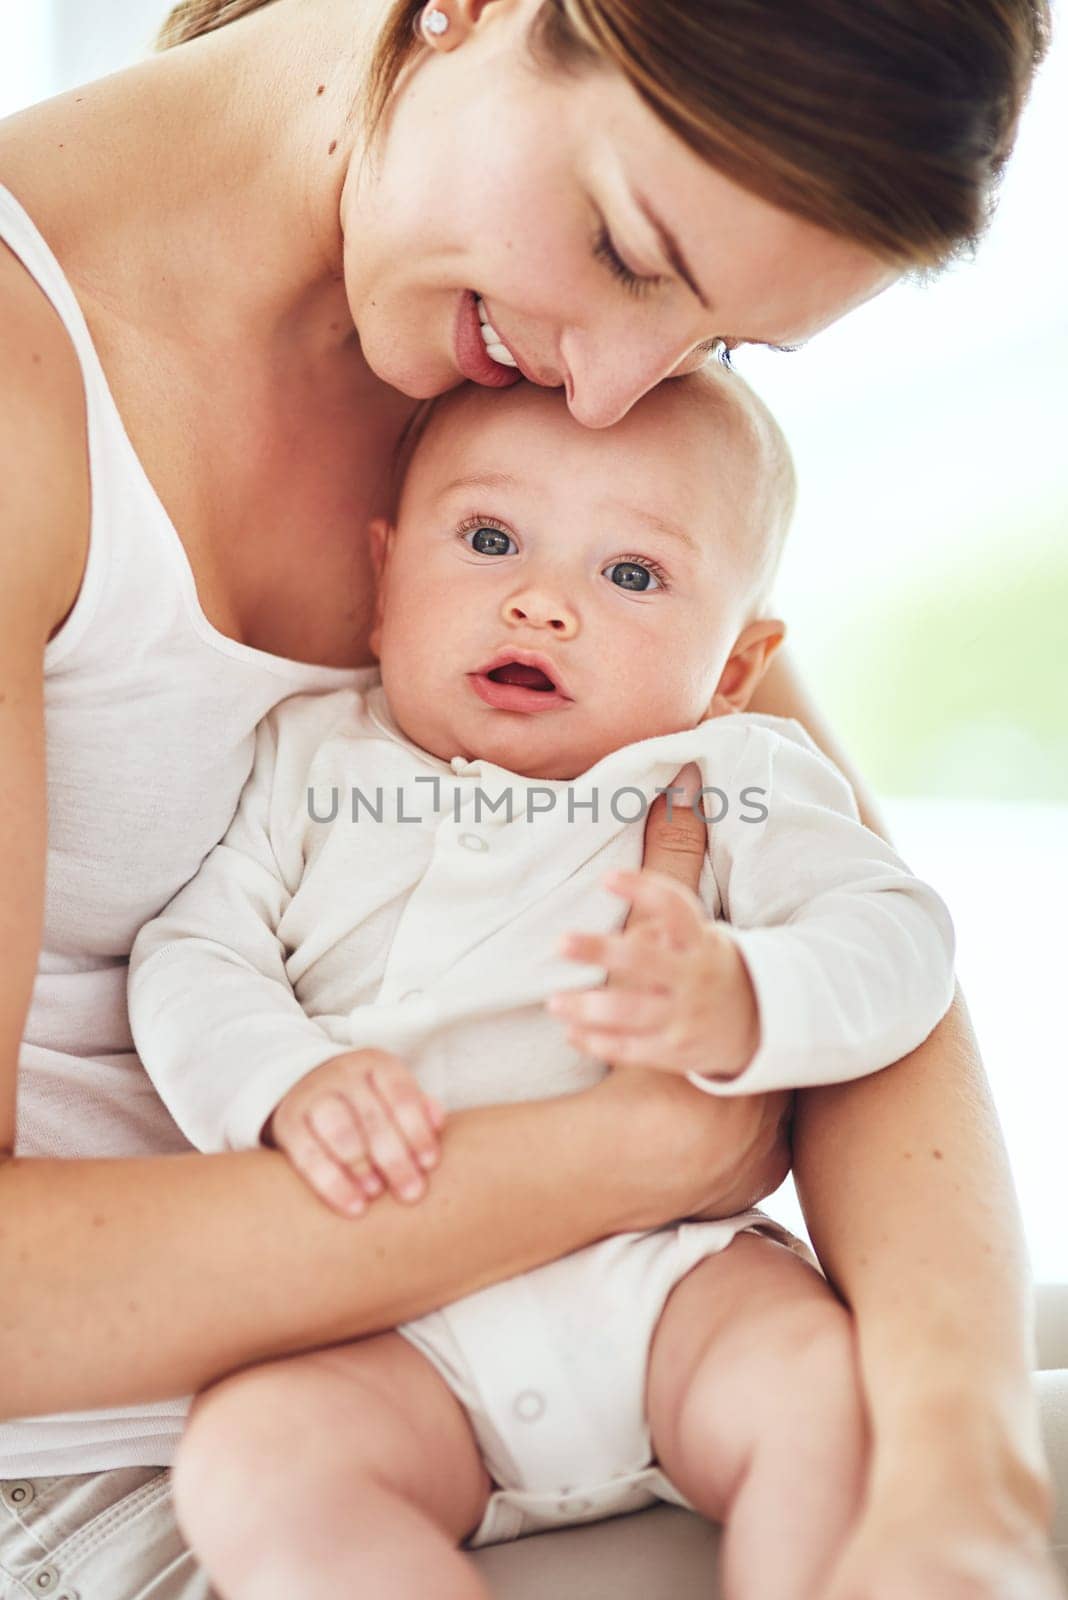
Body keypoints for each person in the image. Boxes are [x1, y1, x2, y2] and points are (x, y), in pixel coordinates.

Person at [0, 1, 1061, 1597]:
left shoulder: (533, 413)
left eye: (722, 345)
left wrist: (956, 1478)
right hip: (159, 1471)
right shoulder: (35, 394)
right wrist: (626, 1157)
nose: (615, 394)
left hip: (635, 1323)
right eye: (633, 252)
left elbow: (852, 928)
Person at [125, 368, 960, 1600]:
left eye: (631, 575)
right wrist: (284, 1082)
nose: (540, 602)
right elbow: (193, 958)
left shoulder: (725, 770)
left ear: (734, 666)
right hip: (386, 1322)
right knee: (255, 1465)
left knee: (822, 1397)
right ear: (383, 578)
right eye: (490, 539)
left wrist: (749, 992)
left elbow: (903, 937)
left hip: (672, 1280)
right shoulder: (308, 760)